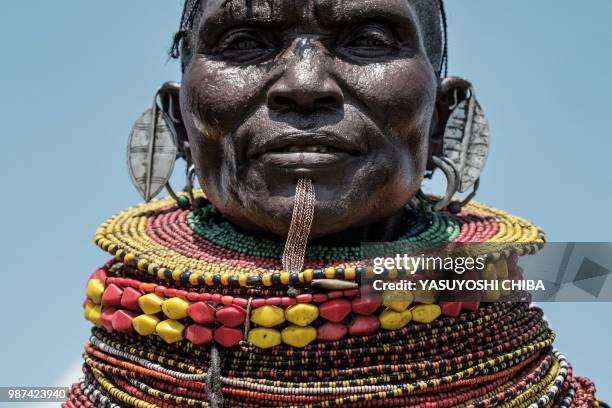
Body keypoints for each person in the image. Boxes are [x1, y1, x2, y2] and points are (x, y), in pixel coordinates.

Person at [67, 1, 602, 406]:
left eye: (368, 39)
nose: (304, 85)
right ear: (182, 122)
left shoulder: (561, 276)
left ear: (441, 119)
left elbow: (593, 275)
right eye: (243, 40)